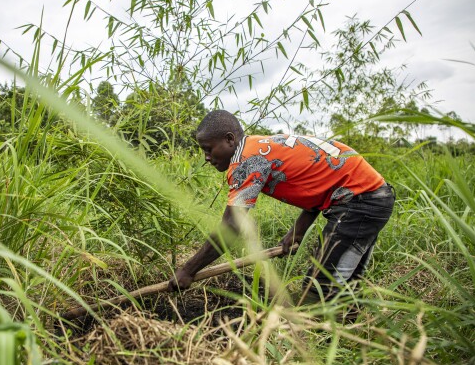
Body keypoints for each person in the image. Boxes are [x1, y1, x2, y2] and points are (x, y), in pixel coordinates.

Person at [168, 110, 395, 308]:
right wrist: (298, 230)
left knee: (320, 285)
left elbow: (231, 226)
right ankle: (350, 335)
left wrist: (188, 270)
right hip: (368, 196)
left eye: (208, 149)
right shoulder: (260, 146)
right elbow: (321, 183)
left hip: (361, 201)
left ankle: (315, 345)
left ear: (229, 139)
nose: (206, 158)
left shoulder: (246, 161)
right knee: (346, 281)